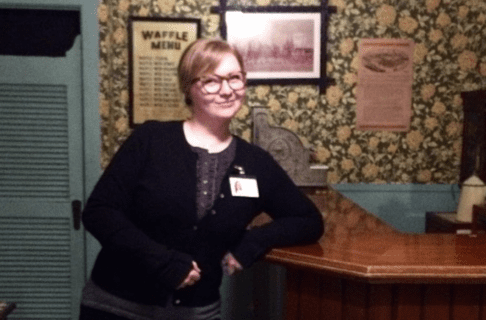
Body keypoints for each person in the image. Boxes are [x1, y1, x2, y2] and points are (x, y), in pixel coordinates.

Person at [79, 38, 324, 320]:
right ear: (189, 88)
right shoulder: (151, 140)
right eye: (212, 81)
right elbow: (99, 212)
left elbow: (308, 220)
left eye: (235, 78)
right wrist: (161, 261)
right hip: (117, 306)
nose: (227, 90)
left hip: (197, 312)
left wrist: (253, 242)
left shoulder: (256, 162)